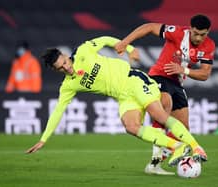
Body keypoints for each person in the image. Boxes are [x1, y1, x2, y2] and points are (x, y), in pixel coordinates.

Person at [25, 36, 207, 169]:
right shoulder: (68, 86)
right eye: (61, 68)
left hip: (133, 80)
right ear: (56, 70)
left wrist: (129, 49)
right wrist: (44, 139)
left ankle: (196, 148)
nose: (66, 67)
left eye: (65, 61)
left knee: (159, 114)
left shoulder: (83, 51)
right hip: (123, 97)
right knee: (131, 126)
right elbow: (58, 110)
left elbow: (105, 39)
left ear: (65, 55)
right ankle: (176, 146)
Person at [115, 14, 215, 175]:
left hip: (177, 82)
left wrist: (185, 70)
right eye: (195, 33)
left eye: (202, 34)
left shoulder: (209, 46)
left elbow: (205, 74)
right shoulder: (177, 32)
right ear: (190, 29)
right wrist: (125, 42)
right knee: (165, 104)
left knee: (184, 129)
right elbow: (149, 27)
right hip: (159, 75)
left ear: (208, 32)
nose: (198, 37)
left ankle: (160, 159)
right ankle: (156, 158)